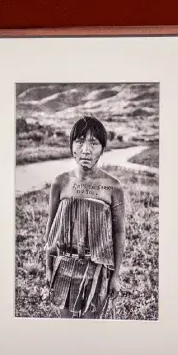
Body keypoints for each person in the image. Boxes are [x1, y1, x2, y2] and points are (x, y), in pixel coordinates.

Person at [42, 116, 125, 318]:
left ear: (102, 148)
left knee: (92, 330)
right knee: (66, 330)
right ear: (72, 145)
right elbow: (51, 229)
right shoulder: (61, 182)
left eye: (93, 143)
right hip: (64, 266)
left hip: (97, 268)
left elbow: (119, 232)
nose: (86, 149)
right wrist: (48, 266)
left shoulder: (112, 186)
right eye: (79, 141)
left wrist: (115, 276)